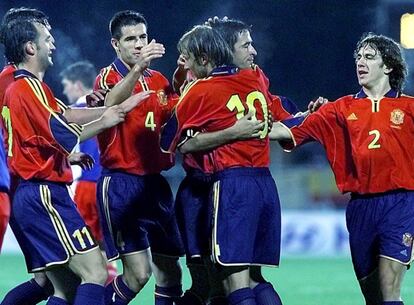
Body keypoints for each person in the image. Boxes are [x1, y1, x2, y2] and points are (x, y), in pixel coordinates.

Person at [0, 12, 150, 305]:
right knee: (95, 271)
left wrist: (116, 108)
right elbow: (63, 130)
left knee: (62, 287)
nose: (54, 43)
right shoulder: (24, 86)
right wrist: (107, 119)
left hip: (34, 191)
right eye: (47, 38)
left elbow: (63, 116)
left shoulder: (28, 86)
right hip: (43, 193)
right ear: (31, 47)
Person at [270, 33, 412, 305]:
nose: (361, 61)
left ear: (389, 66)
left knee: (389, 287)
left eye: (369, 57)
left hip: (401, 203)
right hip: (360, 208)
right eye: (359, 57)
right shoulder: (339, 109)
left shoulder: (409, 107)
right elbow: (287, 129)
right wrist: (245, 128)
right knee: (373, 296)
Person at [161, 24, 281, 305]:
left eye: (186, 58)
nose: (183, 64)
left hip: (225, 187)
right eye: (246, 45)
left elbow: (168, 142)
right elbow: (280, 114)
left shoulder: (202, 90)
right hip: (263, 182)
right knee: (251, 278)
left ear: (204, 57)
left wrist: (222, 134)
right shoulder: (256, 79)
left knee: (226, 281)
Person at [91, 10, 184, 305]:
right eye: (130, 39)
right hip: (121, 184)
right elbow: (110, 105)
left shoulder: (157, 79)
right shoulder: (108, 77)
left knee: (170, 272)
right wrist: (136, 70)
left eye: (143, 37)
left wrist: (182, 78)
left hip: (155, 185)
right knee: (138, 275)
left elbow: (175, 114)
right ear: (115, 44)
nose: (138, 44)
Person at [60, 60, 118, 282]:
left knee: (83, 252)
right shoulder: (108, 107)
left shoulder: (77, 111)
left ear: (76, 85)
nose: (65, 89)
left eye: (66, 84)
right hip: (108, 185)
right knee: (106, 248)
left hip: (86, 186)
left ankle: (89, 292)